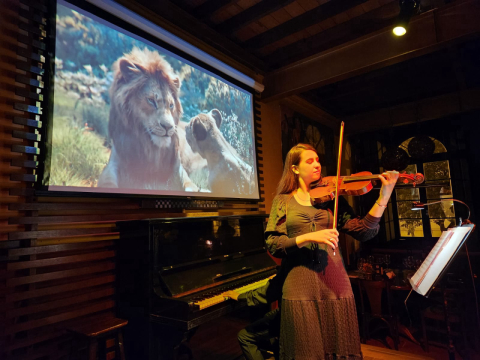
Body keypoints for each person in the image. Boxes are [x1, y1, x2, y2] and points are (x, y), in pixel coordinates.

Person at [265, 143, 399, 360]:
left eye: (317, 160)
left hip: (335, 280)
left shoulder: (332, 197)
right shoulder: (283, 201)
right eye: (310, 161)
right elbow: (273, 243)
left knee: (338, 348)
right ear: (295, 168)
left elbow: (364, 231)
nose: (317, 165)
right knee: (303, 350)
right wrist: (307, 236)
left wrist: (384, 196)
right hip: (299, 283)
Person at [224, 271, 284, 360]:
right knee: (267, 315)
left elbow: (268, 292)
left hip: (287, 316)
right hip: (292, 313)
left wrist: (239, 296)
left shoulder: (290, 265)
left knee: (244, 336)